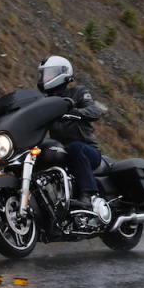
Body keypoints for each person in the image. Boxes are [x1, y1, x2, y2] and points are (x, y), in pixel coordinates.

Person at [37, 55, 110, 223]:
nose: (44, 78)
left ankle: (89, 195)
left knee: (75, 148)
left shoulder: (78, 92)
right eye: (42, 75)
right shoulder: (44, 102)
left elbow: (94, 110)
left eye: (48, 74)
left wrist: (76, 113)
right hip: (60, 150)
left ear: (63, 73)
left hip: (87, 150)